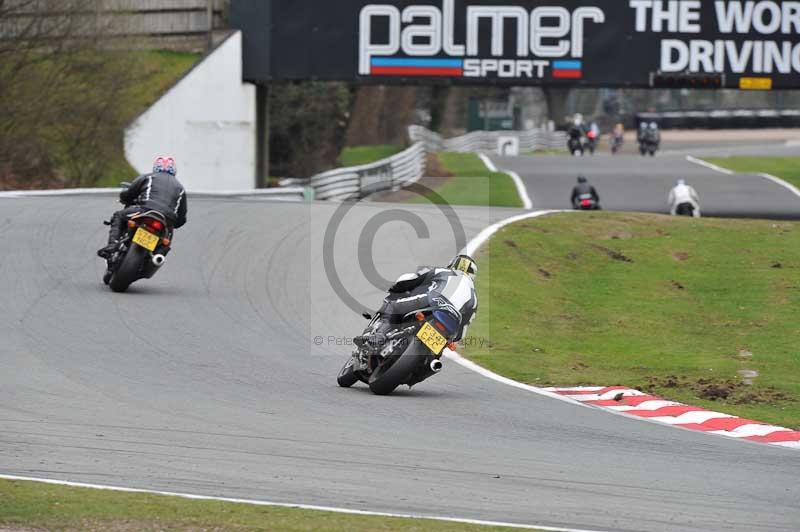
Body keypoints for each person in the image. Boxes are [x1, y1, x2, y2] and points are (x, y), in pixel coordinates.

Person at [353, 254, 479, 370]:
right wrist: (452, 340)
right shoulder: (474, 298)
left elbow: (415, 279)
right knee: (437, 354)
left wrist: (396, 288)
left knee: (394, 307)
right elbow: (465, 325)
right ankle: (426, 365)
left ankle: (378, 337)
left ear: (453, 264)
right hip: (452, 322)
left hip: (433, 303)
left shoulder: (445, 272)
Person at [97, 156, 188, 260]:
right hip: (166, 219)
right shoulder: (181, 189)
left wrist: (124, 198)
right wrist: (173, 224)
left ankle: (112, 245)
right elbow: (181, 218)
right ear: (174, 171)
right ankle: (156, 257)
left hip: (145, 210)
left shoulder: (148, 177)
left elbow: (130, 192)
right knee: (166, 240)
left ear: (155, 167)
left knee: (119, 215)